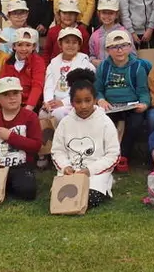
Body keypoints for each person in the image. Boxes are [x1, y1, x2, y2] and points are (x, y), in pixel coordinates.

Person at [52, 68, 121, 209]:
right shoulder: (65, 123)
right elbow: (57, 151)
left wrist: (89, 170)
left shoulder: (105, 122)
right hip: (71, 172)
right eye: (78, 102)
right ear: (71, 103)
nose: (83, 106)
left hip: (95, 173)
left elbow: (113, 154)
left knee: (88, 198)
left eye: (87, 100)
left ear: (95, 100)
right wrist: (65, 167)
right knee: (59, 197)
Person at [94, 30, 150, 171]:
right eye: (114, 47)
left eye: (123, 46)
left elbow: (143, 91)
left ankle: (123, 155)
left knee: (135, 123)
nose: (119, 50)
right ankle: (107, 155)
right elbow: (98, 89)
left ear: (130, 47)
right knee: (104, 123)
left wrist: (144, 104)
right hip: (110, 105)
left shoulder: (137, 67)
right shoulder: (103, 66)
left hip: (132, 105)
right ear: (107, 50)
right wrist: (100, 99)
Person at [43, 27, 95, 122]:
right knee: (43, 114)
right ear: (60, 44)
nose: (70, 45)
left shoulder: (85, 64)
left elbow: (85, 88)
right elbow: (49, 85)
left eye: (74, 42)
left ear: (79, 46)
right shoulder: (53, 63)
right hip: (55, 102)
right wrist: (48, 101)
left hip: (75, 102)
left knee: (59, 114)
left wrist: (63, 102)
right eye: (67, 42)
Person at [1, 27, 46, 113]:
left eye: (28, 45)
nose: (24, 49)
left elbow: (37, 86)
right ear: (14, 46)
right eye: (20, 44)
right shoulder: (7, 62)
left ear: (34, 47)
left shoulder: (38, 62)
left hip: (30, 104)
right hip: (10, 101)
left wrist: (28, 108)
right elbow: (2, 84)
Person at [42, 0, 91, 64]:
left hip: (77, 67)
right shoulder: (52, 31)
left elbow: (85, 54)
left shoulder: (83, 33)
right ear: (59, 14)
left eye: (71, 13)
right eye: (64, 13)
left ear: (76, 15)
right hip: (55, 67)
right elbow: (47, 52)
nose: (68, 16)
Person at [89, 0, 134, 64]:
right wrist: (94, 61)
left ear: (116, 15)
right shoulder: (95, 35)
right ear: (99, 14)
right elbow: (92, 55)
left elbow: (133, 55)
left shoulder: (124, 33)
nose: (107, 16)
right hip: (102, 71)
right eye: (104, 12)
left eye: (111, 13)